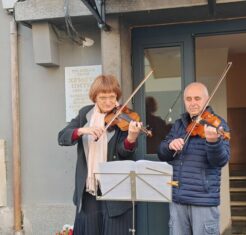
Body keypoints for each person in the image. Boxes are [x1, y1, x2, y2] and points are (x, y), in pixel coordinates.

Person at [58, 75, 142, 235]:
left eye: (112, 97)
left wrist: (131, 138)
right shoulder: (85, 115)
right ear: (94, 97)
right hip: (88, 191)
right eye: (103, 98)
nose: (109, 102)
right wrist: (83, 130)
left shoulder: (124, 117)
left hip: (115, 193)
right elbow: (62, 137)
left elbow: (123, 152)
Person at [157, 82, 230, 235]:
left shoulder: (218, 124)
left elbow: (221, 160)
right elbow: (161, 153)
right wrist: (170, 145)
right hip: (178, 199)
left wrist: (213, 142)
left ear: (207, 99)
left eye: (197, 98)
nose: (193, 103)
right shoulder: (179, 125)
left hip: (203, 199)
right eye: (188, 99)